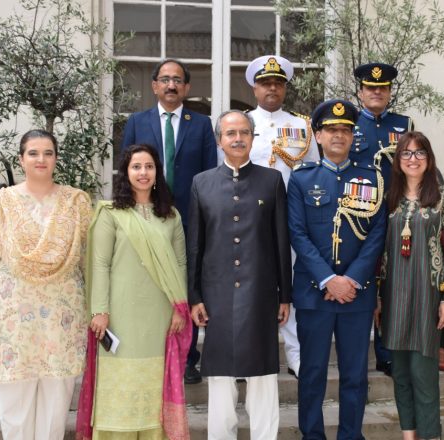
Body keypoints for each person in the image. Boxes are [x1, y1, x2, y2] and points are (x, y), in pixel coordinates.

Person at [0, 129, 91, 440]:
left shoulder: (76, 201)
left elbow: (89, 257)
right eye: (33, 153)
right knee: (15, 402)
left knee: (55, 401)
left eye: (48, 153)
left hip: (62, 312)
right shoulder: (2, 203)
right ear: (21, 159)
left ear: (56, 159)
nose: (41, 159)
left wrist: (99, 303)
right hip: (12, 312)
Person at [187, 110, 292, 440]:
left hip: (260, 292)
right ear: (219, 141)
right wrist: (195, 297)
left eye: (244, 132)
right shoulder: (202, 183)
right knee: (220, 378)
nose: (237, 138)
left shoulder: (271, 181)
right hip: (216, 294)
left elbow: (280, 241)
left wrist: (284, 295)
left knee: (263, 376)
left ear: (252, 137)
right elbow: (195, 246)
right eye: (230, 133)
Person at [75, 144, 191, 440]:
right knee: (120, 379)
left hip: (159, 313)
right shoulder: (110, 213)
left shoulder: (171, 216)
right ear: (125, 173)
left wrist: (180, 309)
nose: (143, 173)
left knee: (153, 384)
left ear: (157, 173)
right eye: (136, 167)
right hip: (119, 313)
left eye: (149, 166)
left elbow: (180, 263)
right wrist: (99, 311)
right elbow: (99, 264)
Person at [288, 99, 387, 440]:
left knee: (355, 375)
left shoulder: (371, 179)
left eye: (346, 130)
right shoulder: (302, 180)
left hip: (356, 297)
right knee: (312, 373)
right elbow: (297, 234)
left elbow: (376, 234)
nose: (339, 136)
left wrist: (352, 280)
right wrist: (329, 279)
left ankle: (350, 435)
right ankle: (312, 435)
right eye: (331, 129)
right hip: (315, 294)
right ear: (318, 135)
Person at [121, 58, 218, 385]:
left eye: (177, 80)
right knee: (150, 286)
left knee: (187, 287)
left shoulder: (201, 123)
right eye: (165, 79)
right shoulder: (137, 121)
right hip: (148, 216)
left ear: (187, 87)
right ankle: (153, 352)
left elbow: (208, 174)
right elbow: (128, 168)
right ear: (154, 86)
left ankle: (189, 359)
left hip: (190, 219)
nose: (171, 85)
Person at [351, 62, 444, 376]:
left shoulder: (404, 123)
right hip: (359, 212)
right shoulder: (348, 123)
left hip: (396, 210)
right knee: (366, 277)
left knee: (391, 277)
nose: (376, 93)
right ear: (361, 92)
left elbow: (420, 163)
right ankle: (355, 348)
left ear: (389, 92)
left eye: (383, 88)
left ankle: (387, 351)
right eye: (370, 88)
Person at [377, 132, 444, 440]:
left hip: (428, 299)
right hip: (393, 299)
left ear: (429, 159)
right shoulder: (387, 197)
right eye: (406, 154)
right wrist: (376, 297)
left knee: (423, 376)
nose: (413, 159)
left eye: (420, 153)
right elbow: (376, 251)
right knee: (400, 374)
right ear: (398, 161)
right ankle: (409, 435)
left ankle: (431, 436)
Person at [245, 54, 321, 379]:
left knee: (290, 285)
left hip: (291, 218)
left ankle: (295, 354)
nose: (272, 88)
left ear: (285, 87)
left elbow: (314, 172)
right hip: (250, 218)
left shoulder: (302, 125)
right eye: (265, 82)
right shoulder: (242, 123)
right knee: (249, 287)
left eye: (278, 82)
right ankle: (248, 354)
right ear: (254, 88)